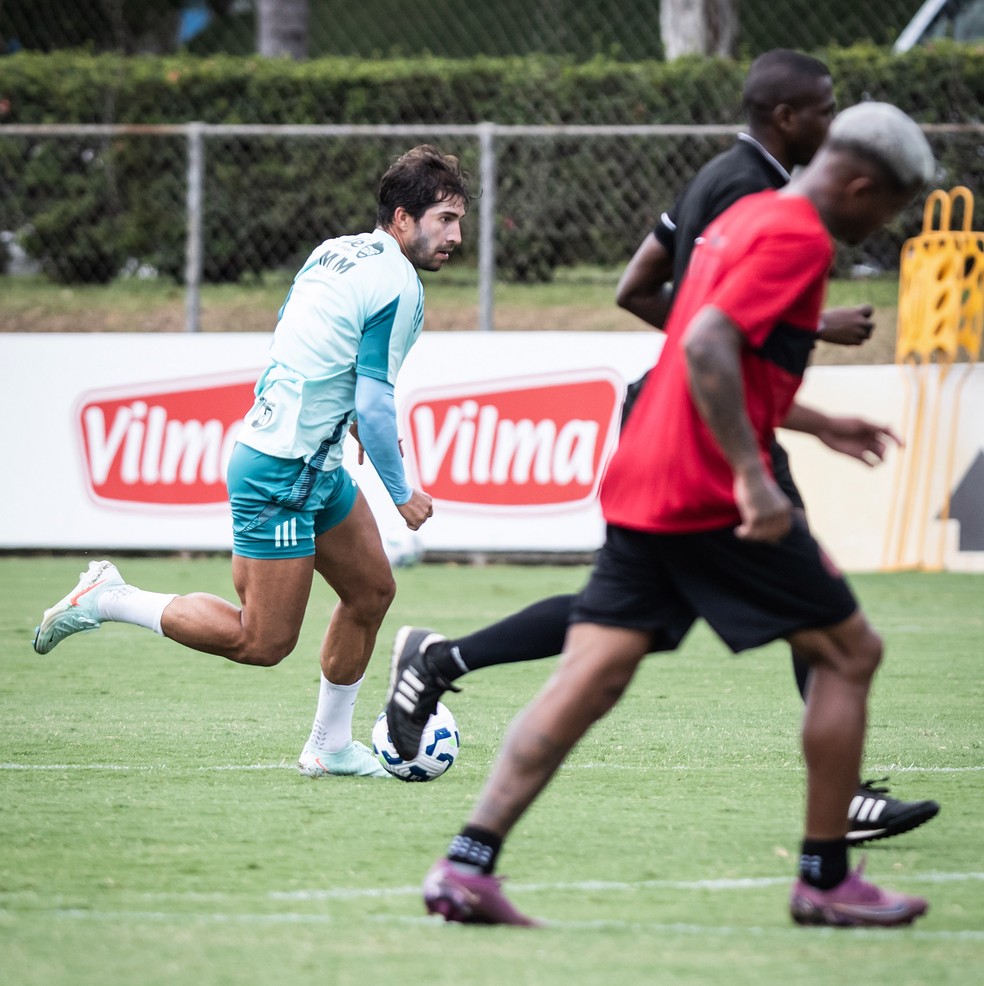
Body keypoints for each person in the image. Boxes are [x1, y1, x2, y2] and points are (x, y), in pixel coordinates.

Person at [386, 51, 938, 843]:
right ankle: (833, 833)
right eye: (824, 106)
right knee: (839, 636)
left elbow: (655, 296)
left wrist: (808, 408)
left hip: (675, 428)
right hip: (711, 444)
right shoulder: (771, 204)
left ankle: (462, 794)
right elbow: (713, 334)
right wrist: (756, 457)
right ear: (790, 117)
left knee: (607, 645)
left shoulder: (723, 183)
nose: (831, 117)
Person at [32, 145, 471, 780]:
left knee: (372, 590)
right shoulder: (400, 284)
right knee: (261, 640)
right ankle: (110, 597)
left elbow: (309, 340)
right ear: (402, 218)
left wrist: (336, 418)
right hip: (281, 473)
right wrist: (401, 490)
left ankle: (330, 745)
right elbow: (376, 399)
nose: (455, 236)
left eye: (458, 221)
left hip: (307, 463)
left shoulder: (335, 251)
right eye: (444, 219)